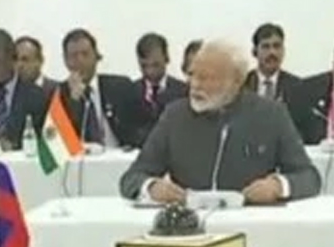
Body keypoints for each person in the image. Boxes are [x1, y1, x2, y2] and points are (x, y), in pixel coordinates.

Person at [118, 40, 319, 204]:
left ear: (236, 81)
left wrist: (278, 186)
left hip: (252, 223)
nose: (195, 85)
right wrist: (151, 187)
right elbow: (132, 178)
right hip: (188, 224)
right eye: (192, 75)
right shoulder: (175, 115)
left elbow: (308, 177)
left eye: (207, 78)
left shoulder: (271, 114)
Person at [54, 28, 144, 149]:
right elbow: (59, 140)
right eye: (74, 56)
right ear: (66, 61)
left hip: (119, 155)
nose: (80, 61)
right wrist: (74, 101)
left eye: (85, 54)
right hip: (82, 158)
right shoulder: (59, 94)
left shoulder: (121, 86)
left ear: (96, 56)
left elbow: (141, 126)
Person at [134, 32, 188, 142]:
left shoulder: (183, 91)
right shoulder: (131, 91)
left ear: (167, 58)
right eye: (144, 66)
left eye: (155, 65)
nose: (150, 72)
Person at [243, 22, 304, 113]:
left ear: (283, 50)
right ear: (254, 51)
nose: (272, 52)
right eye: (266, 47)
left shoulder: (297, 86)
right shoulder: (242, 85)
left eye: (277, 46)